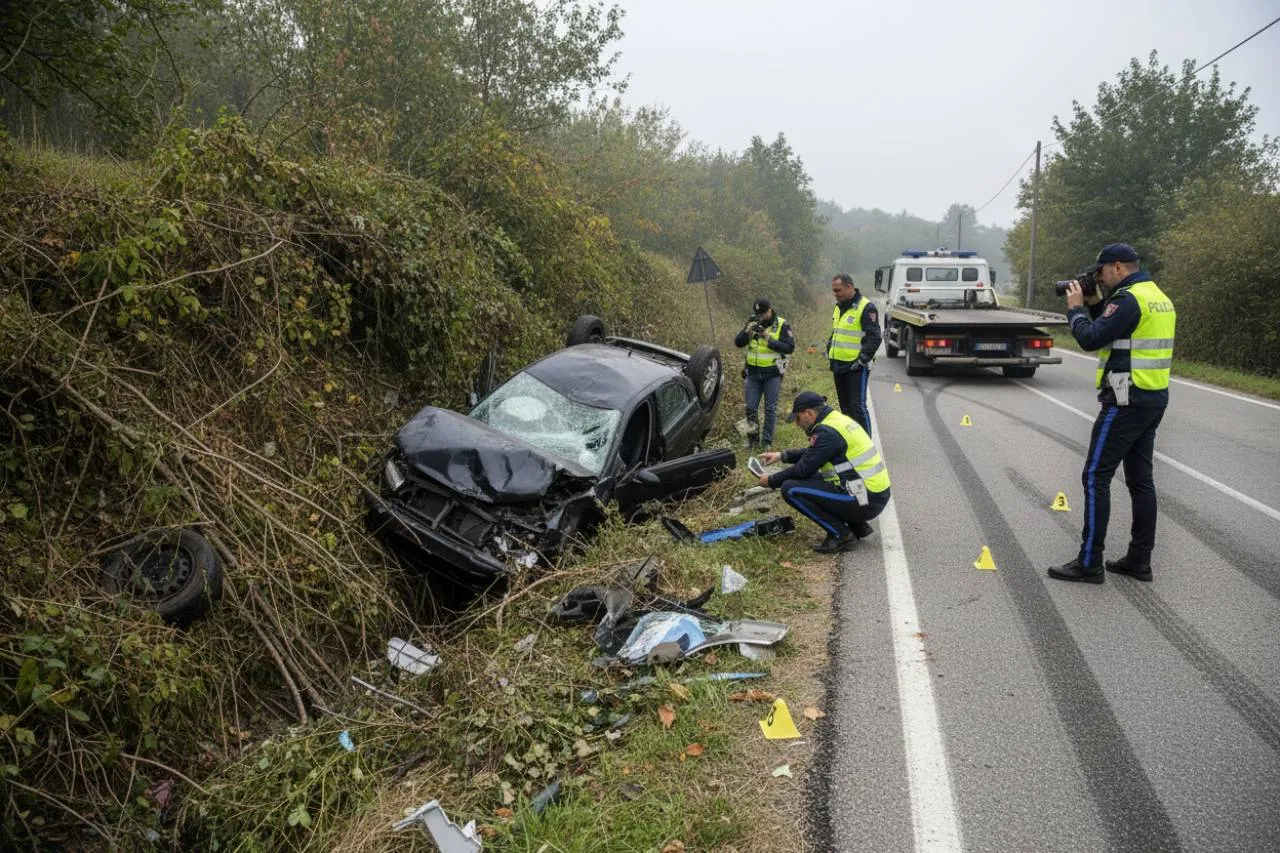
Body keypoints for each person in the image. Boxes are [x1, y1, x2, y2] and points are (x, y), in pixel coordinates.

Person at [1047, 243, 1175, 584]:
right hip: (1153, 397)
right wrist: (1095, 305)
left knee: (1095, 476)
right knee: (1141, 481)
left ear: (1117, 267)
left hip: (1125, 400)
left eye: (1101, 272)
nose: (1099, 279)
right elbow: (1118, 329)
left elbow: (1091, 338)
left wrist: (1075, 309)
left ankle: (1090, 562)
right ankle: (1139, 559)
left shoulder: (1128, 299)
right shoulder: (1155, 295)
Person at [756, 391, 891, 553]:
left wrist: (770, 481)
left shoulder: (827, 432)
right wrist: (782, 456)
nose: (797, 424)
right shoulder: (835, 421)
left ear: (809, 413)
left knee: (790, 489)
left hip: (867, 499)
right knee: (813, 480)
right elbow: (814, 452)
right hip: (869, 492)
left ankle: (841, 534)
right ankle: (857, 524)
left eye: (798, 418)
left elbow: (802, 469)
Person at [734, 297, 795, 449]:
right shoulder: (752, 322)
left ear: (770, 310)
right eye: (757, 314)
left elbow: (789, 347)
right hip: (753, 373)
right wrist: (747, 331)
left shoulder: (781, 324)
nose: (760, 317)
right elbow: (738, 343)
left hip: (772, 374)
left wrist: (769, 339)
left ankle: (766, 441)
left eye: (762, 314)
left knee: (770, 409)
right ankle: (753, 441)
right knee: (751, 407)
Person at [827, 273, 881, 436]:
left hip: (856, 366)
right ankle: (852, 443)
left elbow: (874, 337)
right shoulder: (838, 307)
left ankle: (867, 445)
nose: (836, 294)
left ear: (849, 287)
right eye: (834, 291)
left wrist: (862, 359)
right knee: (845, 409)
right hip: (838, 364)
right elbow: (837, 332)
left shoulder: (866, 307)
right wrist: (829, 347)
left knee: (858, 407)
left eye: (838, 290)